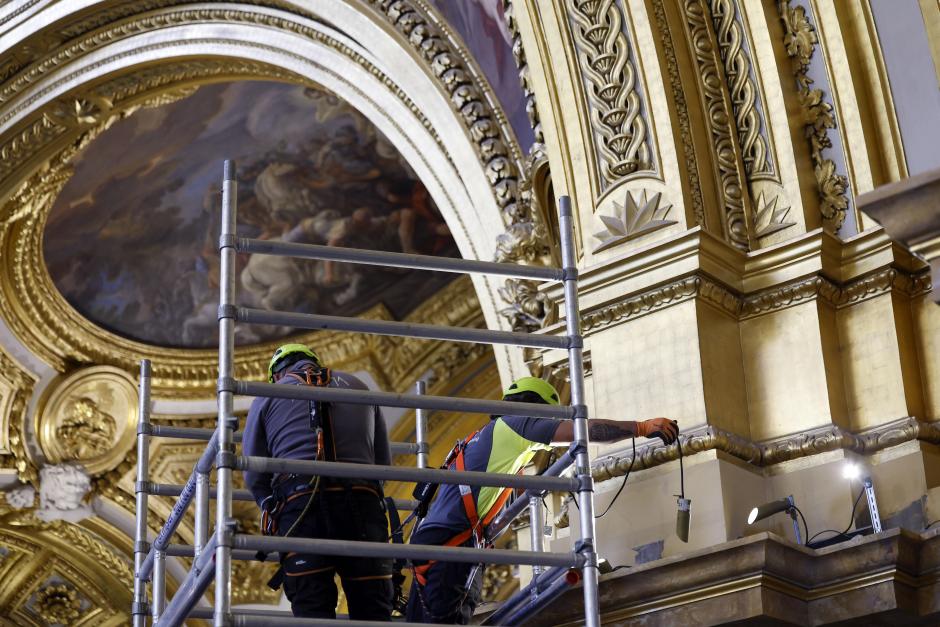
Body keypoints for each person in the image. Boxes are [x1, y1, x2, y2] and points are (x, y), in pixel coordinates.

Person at [405, 377, 678, 624]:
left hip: (440, 547)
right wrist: (642, 427)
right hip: (450, 550)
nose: (548, 426)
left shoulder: (489, 441)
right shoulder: (516, 424)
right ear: (535, 407)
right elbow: (583, 431)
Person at [243, 344, 394, 620]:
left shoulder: (268, 395)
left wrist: (268, 504)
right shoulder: (358, 385)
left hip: (300, 507)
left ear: (276, 375)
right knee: (373, 609)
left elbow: (254, 471)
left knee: (312, 609)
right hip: (362, 502)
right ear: (314, 361)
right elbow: (383, 465)